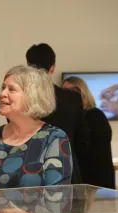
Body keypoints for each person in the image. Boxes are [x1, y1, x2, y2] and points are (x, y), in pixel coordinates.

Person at [0, 65, 72, 191]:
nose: (2, 94)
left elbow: (56, 197)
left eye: (11, 89)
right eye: (3, 88)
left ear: (32, 96)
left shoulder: (54, 139)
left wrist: (12, 212)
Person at [26, 43, 89, 184]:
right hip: (68, 171)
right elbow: (82, 140)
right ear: (53, 67)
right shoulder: (72, 99)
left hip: (32, 174)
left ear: (28, 67)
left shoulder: (21, 99)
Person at [63, 76, 115, 189]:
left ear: (83, 93)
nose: (68, 95)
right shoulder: (73, 117)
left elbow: (94, 150)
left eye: (73, 91)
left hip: (96, 180)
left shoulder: (95, 116)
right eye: (65, 91)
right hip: (81, 180)